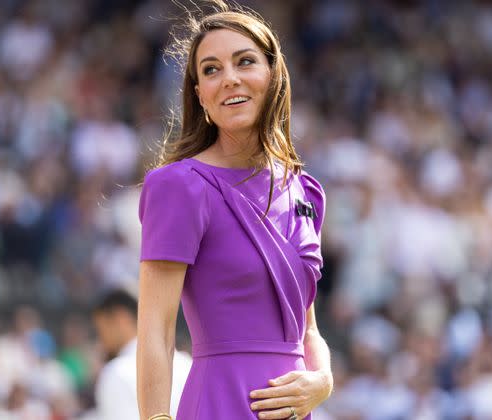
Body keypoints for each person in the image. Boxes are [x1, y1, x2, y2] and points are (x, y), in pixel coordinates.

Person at [136, 1, 333, 419]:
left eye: (244, 62)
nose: (229, 79)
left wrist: (324, 380)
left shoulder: (304, 191)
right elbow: (156, 328)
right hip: (218, 402)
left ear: (273, 75)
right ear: (199, 95)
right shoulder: (178, 186)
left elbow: (308, 328)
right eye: (211, 69)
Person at [92, 289, 191, 420]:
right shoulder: (187, 363)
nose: (101, 339)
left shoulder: (117, 372)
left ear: (121, 318)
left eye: (101, 328)